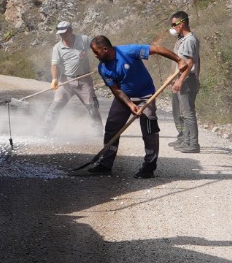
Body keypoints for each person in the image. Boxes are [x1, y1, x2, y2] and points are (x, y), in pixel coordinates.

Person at [74, 31, 194, 178]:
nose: (95, 55)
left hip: (145, 95)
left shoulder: (129, 51)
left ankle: (149, 166)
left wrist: (179, 60)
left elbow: (156, 49)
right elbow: (116, 90)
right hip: (124, 98)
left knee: (149, 128)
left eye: (96, 52)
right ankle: (105, 164)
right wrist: (130, 105)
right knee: (112, 127)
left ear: (105, 49)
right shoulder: (103, 68)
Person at [166, 10, 203, 154]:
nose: (173, 27)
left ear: (182, 24)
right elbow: (197, 60)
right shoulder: (185, 40)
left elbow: (190, 63)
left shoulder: (190, 40)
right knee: (182, 112)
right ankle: (186, 140)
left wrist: (181, 80)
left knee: (188, 113)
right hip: (187, 79)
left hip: (187, 80)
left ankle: (193, 144)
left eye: (174, 24)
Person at [47, 21, 100, 122]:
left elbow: (97, 48)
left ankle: (98, 133)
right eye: (60, 34)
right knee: (55, 107)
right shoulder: (57, 48)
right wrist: (54, 79)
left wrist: (101, 62)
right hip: (66, 81)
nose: (62, 36)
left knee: (93, 107)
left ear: (71, 30)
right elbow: (54, 65)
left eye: (64, 33)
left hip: (85, 80)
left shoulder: (84, 40)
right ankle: (45, 132)